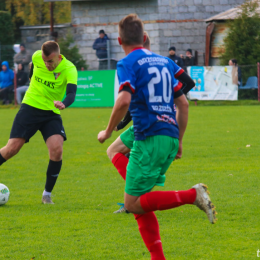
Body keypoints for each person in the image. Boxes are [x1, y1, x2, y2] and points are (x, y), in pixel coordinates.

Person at [98, 14, 217, 260]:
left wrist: (108, 130)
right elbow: (182, 103)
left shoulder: (127, 62)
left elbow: (123, 100)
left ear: (119, 40)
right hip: (169, 134)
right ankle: (158, 257)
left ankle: (192, 195)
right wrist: (180, 141)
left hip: (148, 136)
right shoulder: (164, 61)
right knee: (135, 196)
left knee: (133, 204)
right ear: (143, 37)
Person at [110, 33, 195, 214]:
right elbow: (189, 83)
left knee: (114, 151)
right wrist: (172, 101)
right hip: (164, 122)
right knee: (116, 151)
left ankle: (135, 198)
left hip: (148, 124)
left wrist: (118, 124)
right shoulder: (165, 62)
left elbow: (133, 99)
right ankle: (134, 196)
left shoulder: (134, 63)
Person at [0, 41, 78, 204]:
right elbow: (32, 70)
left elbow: (71, 93)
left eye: (49, 61)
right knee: (12, 149)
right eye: (44, 61)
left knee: (57, 150)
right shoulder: (37, 57)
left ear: (58, 56)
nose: (46, 64)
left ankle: (46, 195)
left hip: (51, 112)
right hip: (30, 107)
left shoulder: (69, 69)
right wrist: (32, 81)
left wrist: (64, 103)